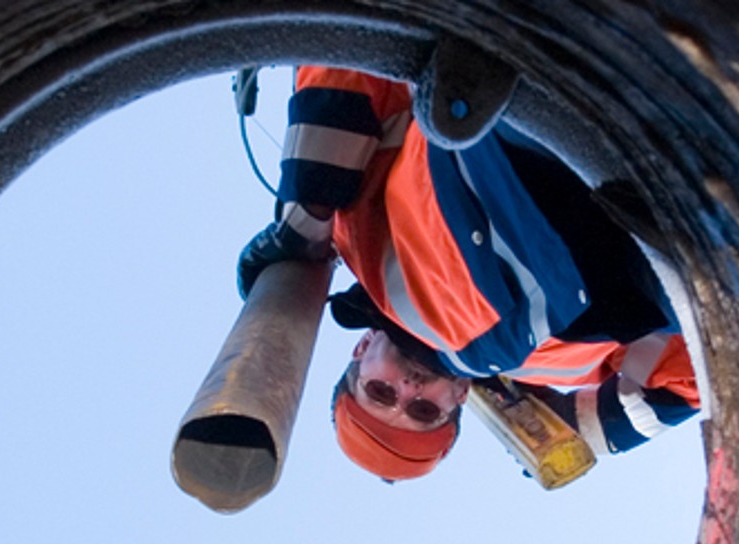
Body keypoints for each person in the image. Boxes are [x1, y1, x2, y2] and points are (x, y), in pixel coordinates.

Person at [237, 66, 700, 482]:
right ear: (458, 399)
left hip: (509, 121)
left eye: (381, 392)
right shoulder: (566, 363)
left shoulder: (353, 229)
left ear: (361, 349)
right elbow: (701, 368)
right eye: (422, 410)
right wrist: (590, 425)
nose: (408, 390)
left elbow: (345, 55)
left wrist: (306, 219)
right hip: (658, 221)